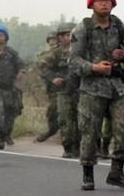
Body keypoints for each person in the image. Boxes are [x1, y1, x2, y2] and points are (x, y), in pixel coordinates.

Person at [69, 0, 124, 190]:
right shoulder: (83, 28)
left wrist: (123, 54)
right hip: (92, 88)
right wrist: (94, 67)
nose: (104, 3)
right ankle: (88, 174)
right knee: (90, 131)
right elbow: (72, 60)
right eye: (100, 0)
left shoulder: (119, 26)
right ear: (91, 4)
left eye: (108, 0)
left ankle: (117, 171)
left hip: (118, 87)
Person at [37, 23, 80, 158]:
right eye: (66, 35)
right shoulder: (56, 53)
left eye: (71, 35)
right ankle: (68, 148)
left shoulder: (81, 51)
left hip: (81, 90)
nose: (69, 38)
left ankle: (82, 147)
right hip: (63, 91)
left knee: (82, 120)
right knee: (65, 119)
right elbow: (42, 67)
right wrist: (53, 78)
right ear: (60, 37)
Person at [0, 24, 24, 150]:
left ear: (6, 37)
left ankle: (6, 134)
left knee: (10, 112)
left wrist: (20, 74)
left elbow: (21, 66)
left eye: (1, 35)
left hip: (9, 88)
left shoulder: (11, 53)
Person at [36, 31, 60, 143]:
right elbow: (41, 68)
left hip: (68, 87)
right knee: (53, 111)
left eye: (54, 39)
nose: (52, 42)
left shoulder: (64, 52)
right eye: (50, 40)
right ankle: (52, 130)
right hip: (52, 88)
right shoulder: (44, 55)